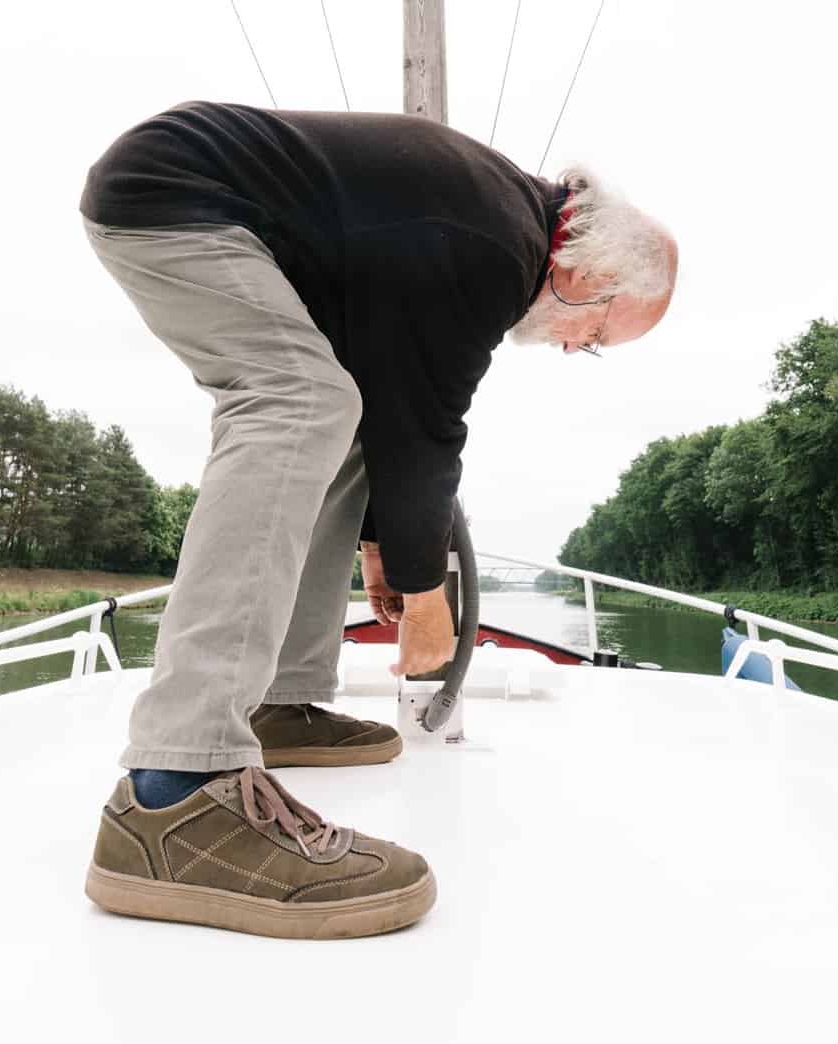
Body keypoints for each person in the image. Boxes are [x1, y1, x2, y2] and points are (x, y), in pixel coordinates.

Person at [79, 100, 678, 940]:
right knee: (298, 398)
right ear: (583, 278)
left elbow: (393, 408)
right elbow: (431, 428)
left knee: (334, 405)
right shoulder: (493, 245)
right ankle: (176, 784)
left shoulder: (494, 218)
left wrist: (379, 548)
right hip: (176, 196)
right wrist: (425, 593)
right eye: (600, 336)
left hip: (184, 187)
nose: (579, 348)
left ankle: (280, 701)